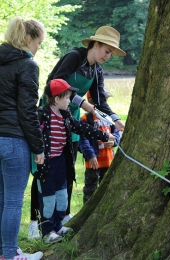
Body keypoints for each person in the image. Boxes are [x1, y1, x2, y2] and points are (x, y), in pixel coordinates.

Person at [28, 25, 126, 237]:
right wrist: (82, 102)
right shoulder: (74, 56)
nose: (108, 56)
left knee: (66, 167)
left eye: (111, 53)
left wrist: (115, 120)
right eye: (106, 50)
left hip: (70, 121)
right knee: (44, 171)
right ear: (95, 44)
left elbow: (99, 102)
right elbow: (53, 83)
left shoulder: (96, 70)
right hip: (51, 116)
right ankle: (35, 222)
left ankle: (63, 215)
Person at [34, 78, 115, 244]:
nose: (70, 101)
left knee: (62, 196)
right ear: (57, 99)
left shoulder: (66, 115)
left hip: (61, 164)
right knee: (48, 199)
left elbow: (81, 127)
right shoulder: (42, 115)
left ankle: (58, 226)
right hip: (47, 166)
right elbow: (33, 135)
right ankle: (47, 231)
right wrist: (38, 152)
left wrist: (104, 135)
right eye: (67, 97)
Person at [0, 17, 45, 260]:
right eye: (38, 42)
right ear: (28, 39)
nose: (39, 48)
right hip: (14, 139)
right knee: (13, 202)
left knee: (1, 199)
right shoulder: (28, 65)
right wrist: (39, 147)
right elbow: (27, 111)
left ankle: (3, 251)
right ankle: (9, 255)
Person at [79, 90, 120, 203]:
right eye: (102, 100)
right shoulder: (85, 119)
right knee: (90, 190)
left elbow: (116, 134)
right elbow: (83, 140)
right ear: (91, 101)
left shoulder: (110, 117)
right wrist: (90, 155)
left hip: (108, 161)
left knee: (107, 189)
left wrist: (114, 141)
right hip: (94, 162)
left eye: (105, 101)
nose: (105, 103)